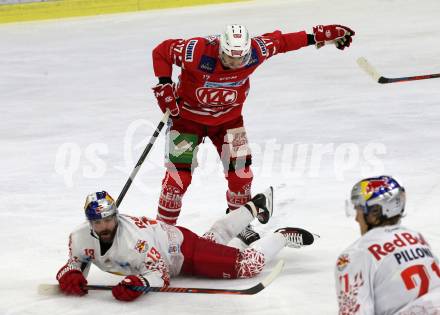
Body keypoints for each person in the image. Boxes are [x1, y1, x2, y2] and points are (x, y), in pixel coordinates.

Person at [151, 24, 355, 245]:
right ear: (220, 50)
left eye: (241, 58)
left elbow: (283, 42)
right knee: (177, 180)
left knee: (241, 175)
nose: (236, 64)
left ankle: (239, 224)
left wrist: (317, 36)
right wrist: (164, 83)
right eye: (230, 58)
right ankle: (162, 233)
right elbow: (161, 51)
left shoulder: (256, 51)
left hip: (229, 122)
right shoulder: (197, 51)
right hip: (187, 122)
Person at [56, 189, 315, 301]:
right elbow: (76, 261)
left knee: (246, 265)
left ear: (116, 215)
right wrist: (71, 274)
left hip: (182, 251)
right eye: (99, 222)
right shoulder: (79, 237)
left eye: (110, 219)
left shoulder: (135, 240)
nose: (106, 226)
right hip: (174, 244)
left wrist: (141, 284)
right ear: (89, 222)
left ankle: (281, 235)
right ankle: (254, 207)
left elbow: (160, 274)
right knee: (212, 241)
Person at [335, 175, 440, 315]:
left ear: (375, 213)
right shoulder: (417, 238)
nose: (356, 218)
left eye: (359, 209)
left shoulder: (356, 255)